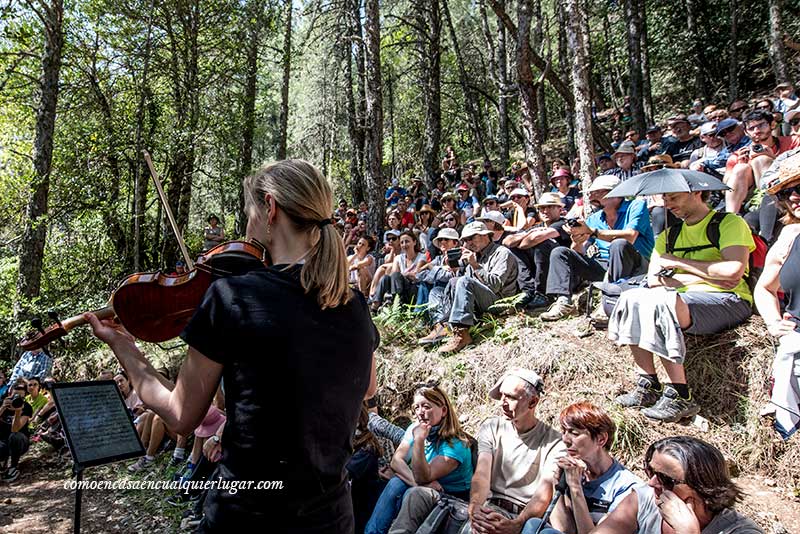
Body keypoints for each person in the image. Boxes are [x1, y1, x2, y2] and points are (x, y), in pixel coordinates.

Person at [85, 159, 378, 532]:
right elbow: (367, 387)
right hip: (330, 519)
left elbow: (180, 415)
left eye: (248, 212)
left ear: (270, 208)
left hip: (250, 516)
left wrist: (124, 347)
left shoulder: (234, 297)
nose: (246, 225)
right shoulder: (354, 305)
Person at [609, 188, 754, 422]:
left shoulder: (729, 223)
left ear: (696, 193)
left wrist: (678, 262)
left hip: (728, 300)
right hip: (681, 299)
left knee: (661, 301)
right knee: (632, 297)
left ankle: (680, 394)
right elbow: (655, 280)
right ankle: (648, 383)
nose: (667, 204)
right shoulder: (669, 234)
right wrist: (708, 274)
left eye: (673, 197)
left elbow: (733, 273)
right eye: (664, 198)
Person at [590, 436, 763, 534]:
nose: (652, 483)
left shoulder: (741, 531)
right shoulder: (643, 499)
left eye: (666, 479)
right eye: (650, 471)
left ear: (702, 487)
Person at [542, 176, 654, 321]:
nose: (591, 197)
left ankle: (611, 299)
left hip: (636, 265)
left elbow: (631, 236)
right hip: (606, 266)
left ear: (616, 193)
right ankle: (563, 302)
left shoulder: (636, 206)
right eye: (590, 194)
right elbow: (578, 251)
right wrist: (577, 239)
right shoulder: (594, 218)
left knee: (618, 244)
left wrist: (593, 232)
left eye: (598, 193)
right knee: (560, 252)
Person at [468, 369, 566, 534]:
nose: (503, 403)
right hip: (490, 506)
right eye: (502, 395)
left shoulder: (555, 442)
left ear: (532, 402)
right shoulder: (492, 427)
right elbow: (482, 473)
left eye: (511, 397)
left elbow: (545, 490)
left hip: (524, 514)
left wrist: (518, 523)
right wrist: (475, 506)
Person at [365, 384, 472, 534]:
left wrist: (419, 440)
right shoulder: (415, 428)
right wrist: (413, 480)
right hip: (427, 487)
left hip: (453, 497)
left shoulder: (456, 444)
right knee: (395, 483)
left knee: (406, 489)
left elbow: (423, 476)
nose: (420, 412)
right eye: (416, 407)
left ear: (443, 410)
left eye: (426, 406)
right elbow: (396, 461)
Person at [521, 402, 641, 534]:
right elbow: (564, 529)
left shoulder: (625, 487)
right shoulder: (575, 472)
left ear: (601, 439)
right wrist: (558, 484)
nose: (565, 439)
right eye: (564, 431)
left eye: (574, 433)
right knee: (535, 525)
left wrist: (576, 489)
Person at [417, 222, 518, 353]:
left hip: (500, 301)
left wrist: (475, 265)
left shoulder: (502, 253)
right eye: (465, 240)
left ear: (485, 236)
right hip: (479, 303)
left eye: (472, 238)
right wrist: (455, 270)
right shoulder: (474, 256)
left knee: (463, 280)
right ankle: (443, 326)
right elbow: (463, 287)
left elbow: (495, 286)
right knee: (437, 291)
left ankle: (462, 333)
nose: (468, 243)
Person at [755, 159, 800, 439]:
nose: (795, 197)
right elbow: (764, 288)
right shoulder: (790, 235)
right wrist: (773, 323)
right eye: (788, 192)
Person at [501, 194, 573, 311]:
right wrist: (528, 233)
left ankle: (543, 294)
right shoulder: (538, 226)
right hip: (539, 268)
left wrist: (526, 238)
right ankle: (528, 290)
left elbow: (535, 239)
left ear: (560, 209)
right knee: (513, 249)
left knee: (542, 245)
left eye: (550, 207)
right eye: (542, 208)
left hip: (562, 272)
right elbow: (507, 241)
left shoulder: (563, 223)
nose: (545, 211)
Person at [722, 110, 798, 214]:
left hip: (785, 190)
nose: (756, 130)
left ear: (772, 124)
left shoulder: (792, 141)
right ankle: (732, 215)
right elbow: (724, 187)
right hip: (750, 194)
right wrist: (741, 163)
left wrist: (773, 158)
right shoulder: (739, 154)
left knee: (761, 160)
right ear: (746, 132)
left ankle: (775, 207)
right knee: (741, 168)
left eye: (761, 125)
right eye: (751, 128)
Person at [0, 379, 32, 482]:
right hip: (3, 442)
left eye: (21, 398)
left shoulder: (26, 407)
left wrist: (18, 412)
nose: (18, 399)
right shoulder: (2, 403)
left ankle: (13, 466)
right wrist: (3, 408)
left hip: (20, 442)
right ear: (9, 394)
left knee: (15, 436)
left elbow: (15, 429)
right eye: (16, 396)